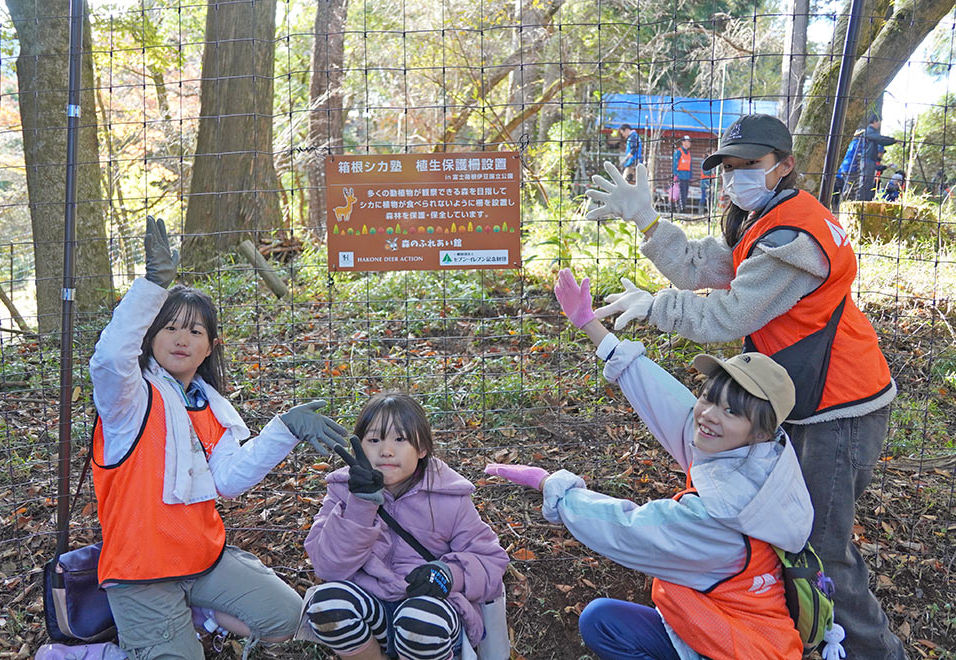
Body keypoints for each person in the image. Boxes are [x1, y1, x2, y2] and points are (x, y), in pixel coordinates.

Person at [582, 113, 904, 660]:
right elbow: (704, 267)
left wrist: (655, 307)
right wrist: (649, 224)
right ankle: (787, 640)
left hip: (838, 406)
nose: (736, 177)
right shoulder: (762, 217)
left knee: (819, 547)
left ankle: (873, 652)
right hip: (798, 397)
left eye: (749, 165)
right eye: (728, 167)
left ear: (784, 165)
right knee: (778, 535)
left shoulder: (795, 237)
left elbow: (729, 315)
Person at [489, 269, 819, 660]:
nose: (709, 414)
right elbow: (671, 406)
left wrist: (555, 489)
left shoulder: (719, 517)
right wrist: (592, 327)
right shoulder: (758, 461)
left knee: (602, 623)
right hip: (727, 626)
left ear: (760, 431)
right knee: (602, 621)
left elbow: (631, 529)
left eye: (731, 411)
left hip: (741, 649)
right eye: (709, 398)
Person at [63, 218, 350, 660]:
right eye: (170, 328)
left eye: (195, 331)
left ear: (211, 346)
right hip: (140, 570)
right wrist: (152, 285)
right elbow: (107, 360)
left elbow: (229, 479)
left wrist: (284, 428)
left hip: (203, 559)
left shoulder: (211, 407)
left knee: (290, 621)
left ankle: (198, 615)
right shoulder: (129, 399)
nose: (182, 339)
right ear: (150, 337)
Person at [301, 392, 510, 660]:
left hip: (430, 614)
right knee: (327, 603)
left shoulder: (449, 495)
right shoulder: (343, 491)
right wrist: (360, 504)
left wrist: (448, 573)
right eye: (374, 440)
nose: (386, 451)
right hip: (372, 609)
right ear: (359, 447)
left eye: (400, 439)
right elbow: (328, 567)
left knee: (420, 620)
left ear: (421, 448)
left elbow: (491, 562)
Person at [858, 114, 898, 201]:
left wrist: (893, 141)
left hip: (870, 160)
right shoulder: (869, 132)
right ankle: (861, 201)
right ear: (874, 121)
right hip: (867, 160)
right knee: (865, 182)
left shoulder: (872, 133)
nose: (879, 124)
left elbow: (881, 140)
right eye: (878, 122)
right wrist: (893, 140)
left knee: (869, 183)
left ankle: (866, 202)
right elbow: (881, 139)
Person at [672, 135, 693, 212]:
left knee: (685, 192)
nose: (689, 143)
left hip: (686, 176)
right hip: (680, 175)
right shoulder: (678, 152)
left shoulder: (689, 153)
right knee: (680, 192)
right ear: (683, 142)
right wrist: (676, 174)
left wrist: (691, 176)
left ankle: (684, 207)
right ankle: (680, 208)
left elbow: (690, 165)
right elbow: (675, 164)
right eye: (688, 141)